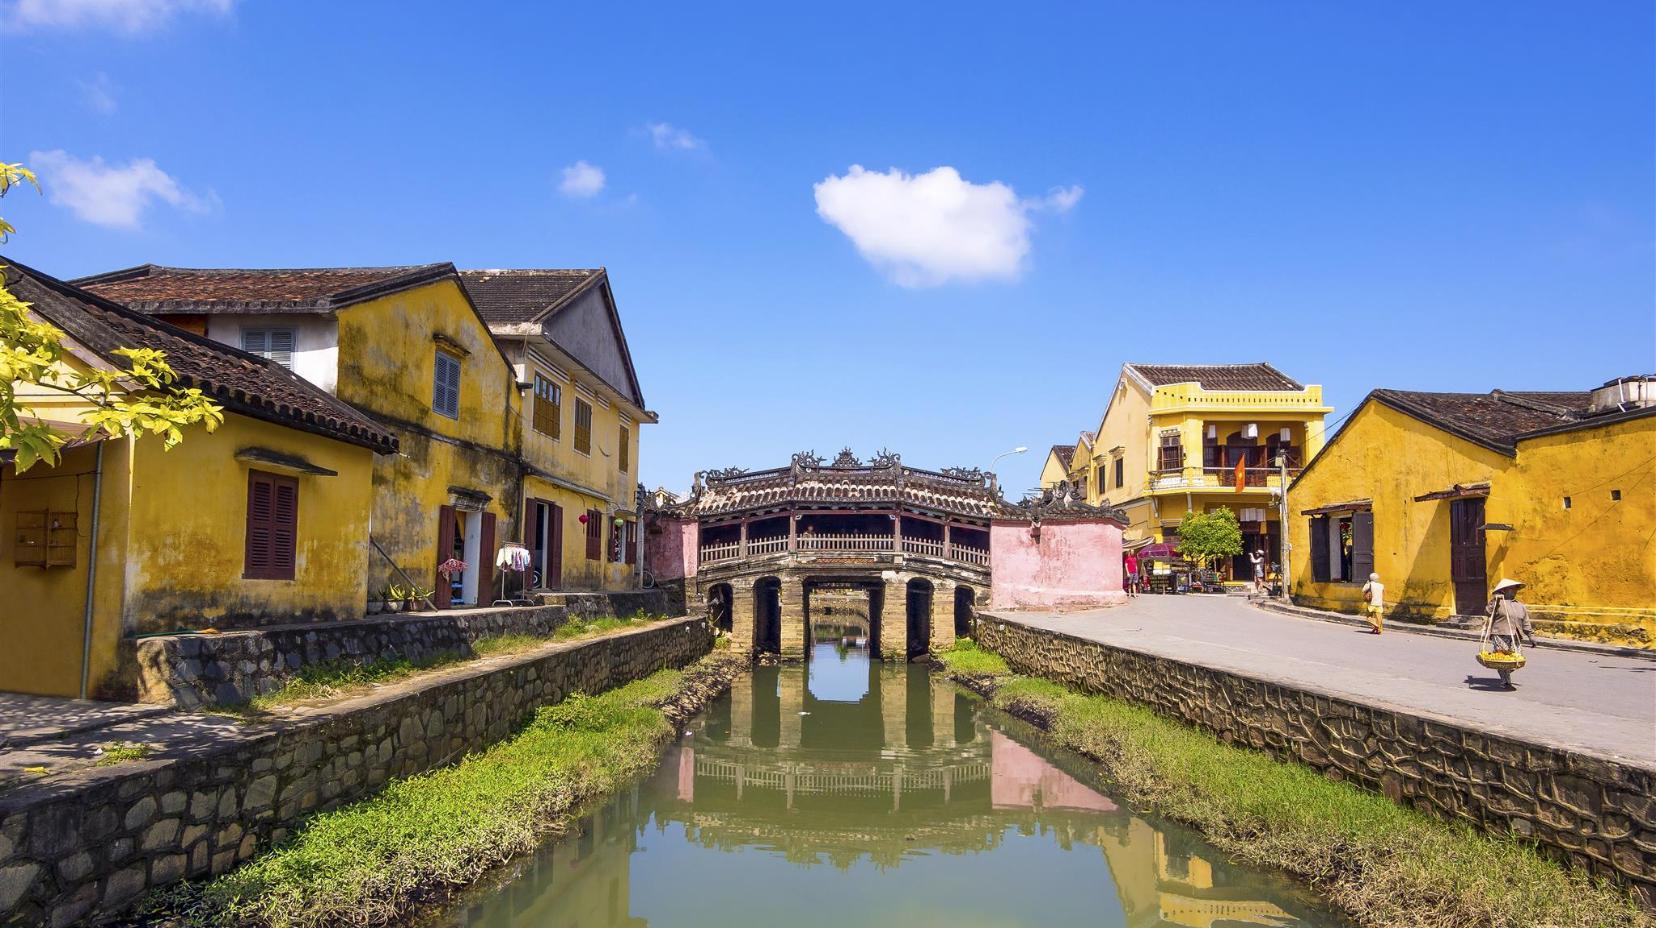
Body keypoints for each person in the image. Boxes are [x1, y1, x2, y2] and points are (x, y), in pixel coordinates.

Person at [1484, 578, 1537, 691]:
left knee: (1516, 660)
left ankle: (1505, 674)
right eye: (1512, 588)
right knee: (1503, 659)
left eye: (1516, 588)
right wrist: (1494, 601)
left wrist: (1531, 636)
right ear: (1505, 590)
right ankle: (1505, 682)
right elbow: (1487, 612)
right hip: (1500, 634)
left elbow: (1525, 622)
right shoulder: (1498, 603)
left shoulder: (1520, 606)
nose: (1515, 590)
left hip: (1515, 635)